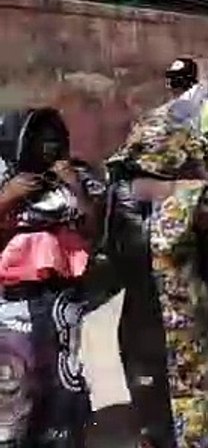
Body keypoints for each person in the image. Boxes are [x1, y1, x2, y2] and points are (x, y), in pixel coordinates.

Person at [105, 103, 208, 447]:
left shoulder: (117, 193)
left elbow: (110, 258)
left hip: (138, 324)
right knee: (191, 422)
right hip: (185, 328)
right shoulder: (196, 196)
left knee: (152, 421)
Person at [0, 108, 106, 446]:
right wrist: (8, 198)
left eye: (53, 139)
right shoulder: (6, 178)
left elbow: (94, 228)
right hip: (15, 303)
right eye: (39, 139)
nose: (48, 147)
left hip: (65, 299)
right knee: (16, 385)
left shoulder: (76, 178)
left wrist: (74, 186)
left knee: (64, 382)